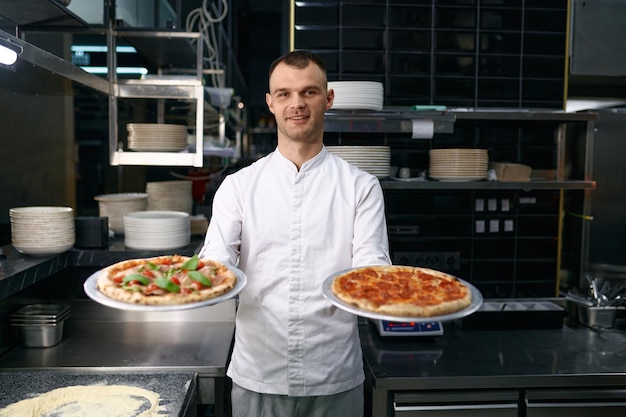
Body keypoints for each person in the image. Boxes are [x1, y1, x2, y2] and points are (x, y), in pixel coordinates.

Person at [199, 50, 391, 417]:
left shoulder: (361, 187)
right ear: (270, 103)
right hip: (258, 373)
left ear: (328, 98)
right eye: (284, 94)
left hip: (335, 374)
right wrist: (195, 280)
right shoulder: (238, 187)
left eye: (309, 92)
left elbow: (371, 270)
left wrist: (390, 290)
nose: (297, 104)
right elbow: (216, 264)